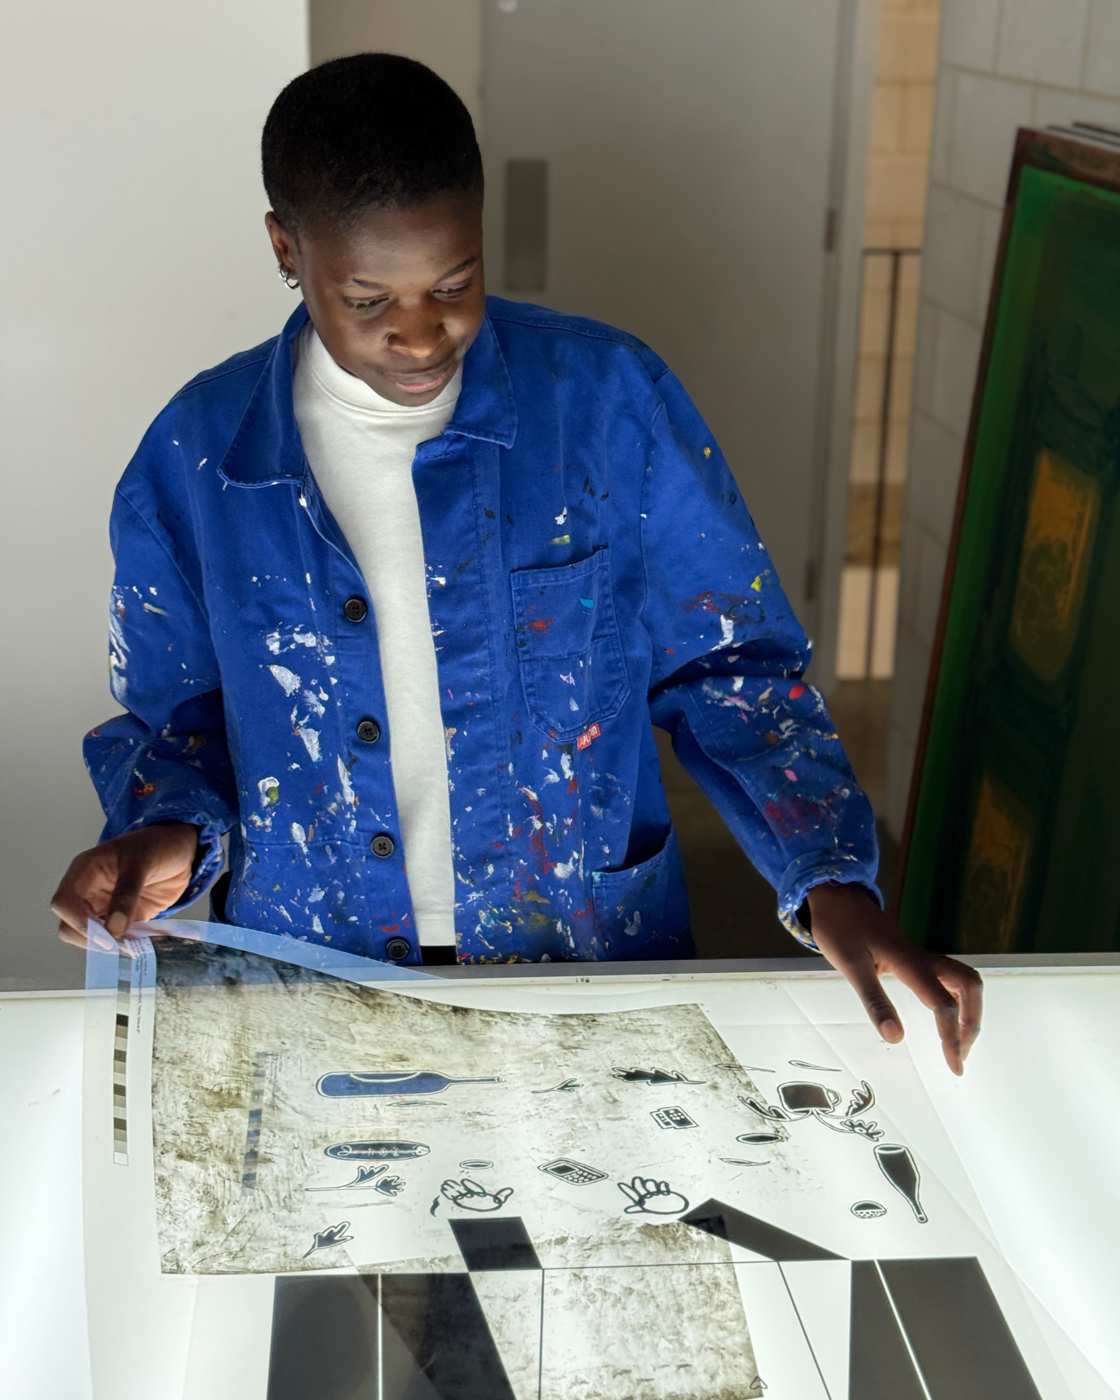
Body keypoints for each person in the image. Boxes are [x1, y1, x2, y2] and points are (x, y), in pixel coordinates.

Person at [51, 54, 980, 1072]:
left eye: (454, 283)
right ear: (286, 247)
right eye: (367, 299)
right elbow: (179, 723)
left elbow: (732, 668)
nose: (420, 333)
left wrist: (832, 880)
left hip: (584, 961)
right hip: (314, 981)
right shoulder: (195, 460)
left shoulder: (608, 403)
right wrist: (165, 832)